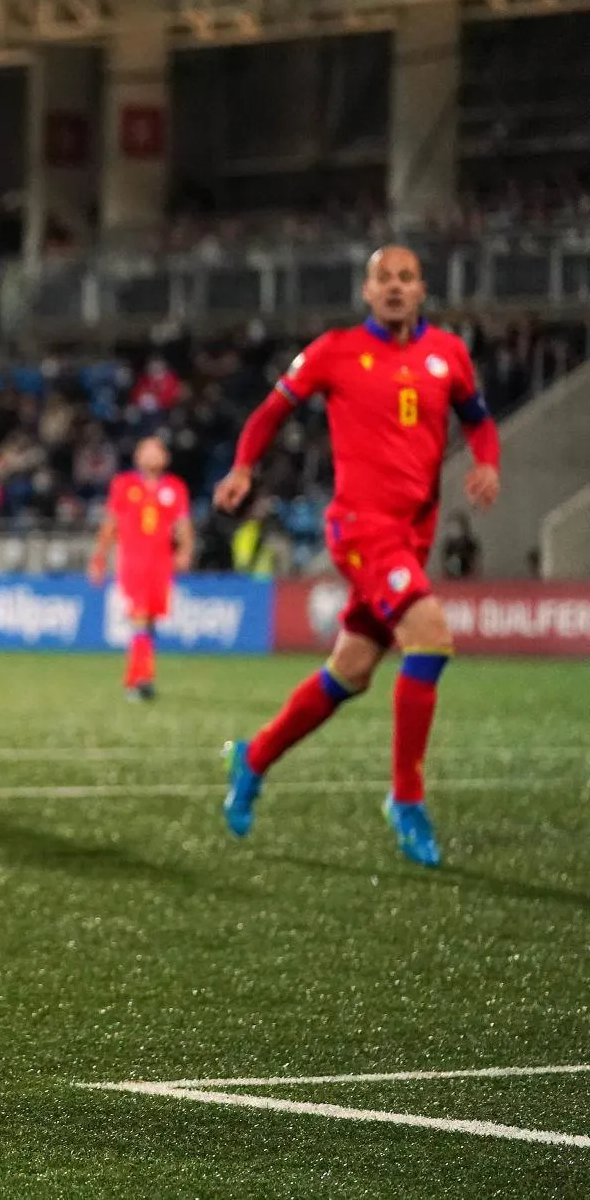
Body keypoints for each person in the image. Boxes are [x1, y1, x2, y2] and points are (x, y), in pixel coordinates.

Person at [215, 246, 500, 867]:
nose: (394, 287)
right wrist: (242, 466)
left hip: (413, 534)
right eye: (382, 279)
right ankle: (406, 799)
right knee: (430, 639)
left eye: (405, 277)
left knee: (351, 672)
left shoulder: (447, 352)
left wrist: (487, 462)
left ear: (422, 289)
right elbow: (269, 412)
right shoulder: (334, 351)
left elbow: (477, 419)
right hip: (360, 527)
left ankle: (255, 756)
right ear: (366, 292)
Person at [87, 437, 193, 701]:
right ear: (137, 456)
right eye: (146, 450)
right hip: (133, 561)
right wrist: (99, 557)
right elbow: (110, 523)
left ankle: (135, 678)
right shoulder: (124, 484)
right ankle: (142, 679)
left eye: (157, 450)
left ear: (165, 457)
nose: (151, 455)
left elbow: (182, 524)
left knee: (149, 621)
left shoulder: (175, 488)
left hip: (161, 563)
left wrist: (185, 551)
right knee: (140, 615)